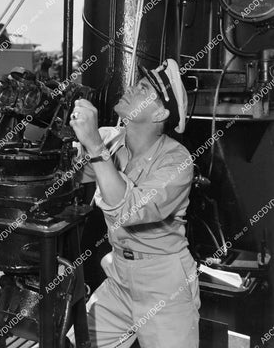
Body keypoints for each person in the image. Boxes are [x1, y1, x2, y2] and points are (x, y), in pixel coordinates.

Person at [68, 58, 199, 348]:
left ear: (160, 114)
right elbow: (65, 172)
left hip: (164, 284)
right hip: (119, 278)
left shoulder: (177, 161)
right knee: (77, 342)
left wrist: (94, 147)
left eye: (142, 88)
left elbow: (129, 210)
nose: (130, 89)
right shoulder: (111, 141)